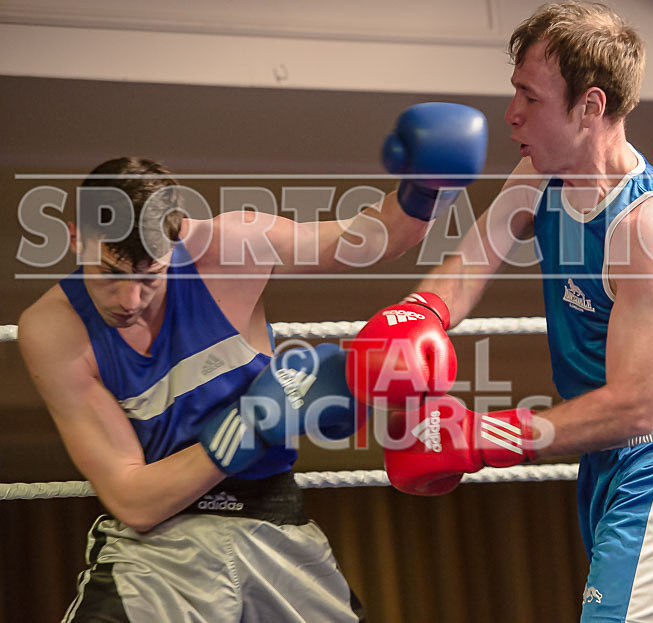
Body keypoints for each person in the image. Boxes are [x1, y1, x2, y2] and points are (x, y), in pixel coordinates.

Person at [347, 3, 653, 621]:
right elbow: (474, 259)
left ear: (590, 107)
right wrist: (419, 313)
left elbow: (635, 404)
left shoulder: (651, 229)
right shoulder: (541, 175)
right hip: (604, 456)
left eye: (529, 97)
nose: (510, 113)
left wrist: (481, 436)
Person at [17, 101, 489, 622]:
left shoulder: (230, 248)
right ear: (73, 238)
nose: (130, 299)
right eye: (109, 273)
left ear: (174, 245)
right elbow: (133, 499)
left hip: (276, 529)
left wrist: (428, 186)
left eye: (149, 276)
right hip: (156, 553)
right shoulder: (53, 331)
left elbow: (378, 239)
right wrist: (248, 426)